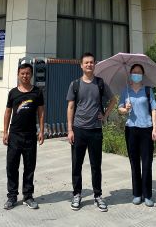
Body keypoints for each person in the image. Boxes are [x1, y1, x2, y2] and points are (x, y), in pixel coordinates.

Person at [66, 52, 117, 212]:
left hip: (95, 130)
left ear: (95, 65)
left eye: (91, 62)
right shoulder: (75, 84)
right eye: (86, 62)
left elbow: (113, 100)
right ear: (81, 65)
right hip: (79, 130)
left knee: (96, 165)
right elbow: (70, 107)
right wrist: (70, 130)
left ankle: (98, 195)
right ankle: (77, 194)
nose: (89, 65)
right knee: (77, 165)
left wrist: (105, 115)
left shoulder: (100, 83)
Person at [3, 60, 45, 210]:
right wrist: (5, 132)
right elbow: (8, 112)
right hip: (14, 135)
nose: (25, 76)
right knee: (12, 166)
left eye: (27, 73)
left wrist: (41, 131)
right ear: (18, 75)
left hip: (30, 135)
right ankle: (12, 196)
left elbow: (41, 112)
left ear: (31, 75)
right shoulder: (13, 93)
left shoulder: (37, 92)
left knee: (29, 167)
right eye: (22, 73)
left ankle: (28, 196)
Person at [118, 63, 156, 207]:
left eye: (139, 72)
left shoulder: (147, 90)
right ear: (130, 74)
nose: (136, 74)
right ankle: (137, 193)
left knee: (147, 163)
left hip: (146, 129)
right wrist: (125, 109)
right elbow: (120, 108)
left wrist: (155, 129)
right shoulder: (126, 91)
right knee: (134, 163)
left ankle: (147, 195)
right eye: (134, 72)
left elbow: (154, 109)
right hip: (131, 130)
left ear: (142, 75)